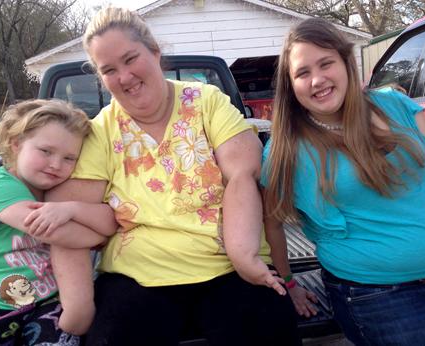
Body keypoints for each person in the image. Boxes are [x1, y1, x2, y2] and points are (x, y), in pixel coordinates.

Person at [45, 7, 300, 346]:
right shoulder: (100, 131)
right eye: (109, 70)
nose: (124, 77)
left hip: (228, 265)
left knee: (268, 331)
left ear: (154, 51)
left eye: (130, 58)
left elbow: (242, 173)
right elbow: (67, 212)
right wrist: (78, 305)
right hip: (137, 276)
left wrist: (242, 257)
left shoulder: (205, 101)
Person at [261, 17, 425, 346]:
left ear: (346, 62)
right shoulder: (287, 149)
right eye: (302, 73)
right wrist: (289, 282)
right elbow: (271, 223)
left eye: (326, 63)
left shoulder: (397, 107)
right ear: (291, 85)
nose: (317, 80)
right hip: (382, 300)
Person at [0, 99, 118, 345]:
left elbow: (111, 218)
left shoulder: (61, 191)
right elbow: (55, 233)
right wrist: (100, 235)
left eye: (70, 158)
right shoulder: (0, 186)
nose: (56, 164)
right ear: (16, 144)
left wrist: (71, 208)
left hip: (49, 302)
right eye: (46, 151)